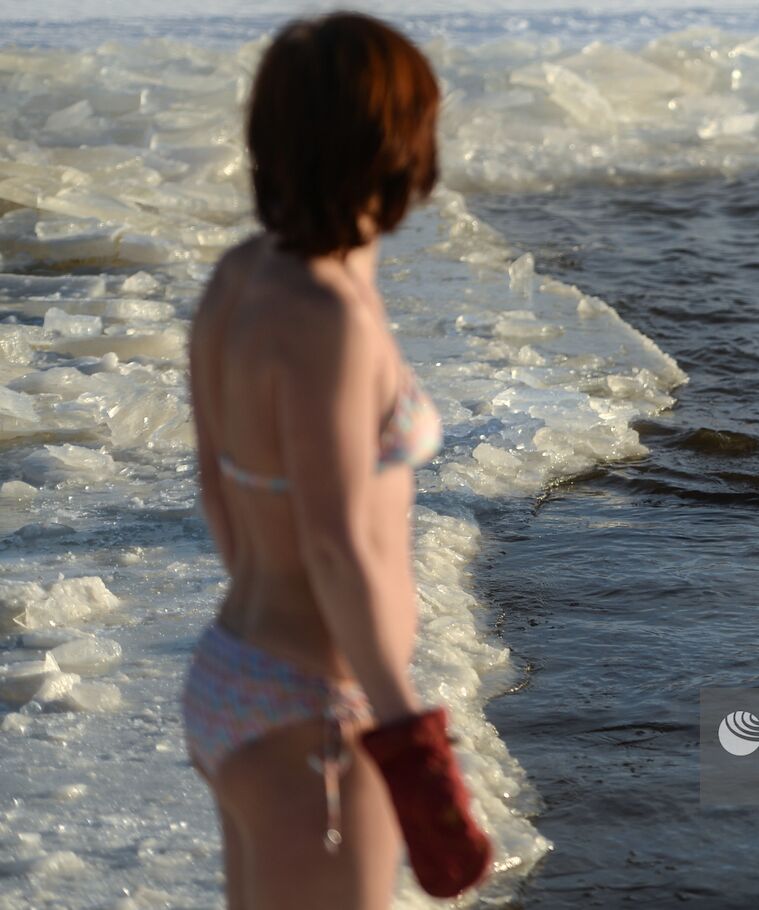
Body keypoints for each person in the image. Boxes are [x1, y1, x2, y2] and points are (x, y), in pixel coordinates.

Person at [182, 14, 488, 908]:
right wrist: (410, 746)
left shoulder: (241, 276)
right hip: (315, 714)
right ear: (391, 143)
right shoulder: (328, 317)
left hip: (238, 672)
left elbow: (218, 488)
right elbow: (332, 543)